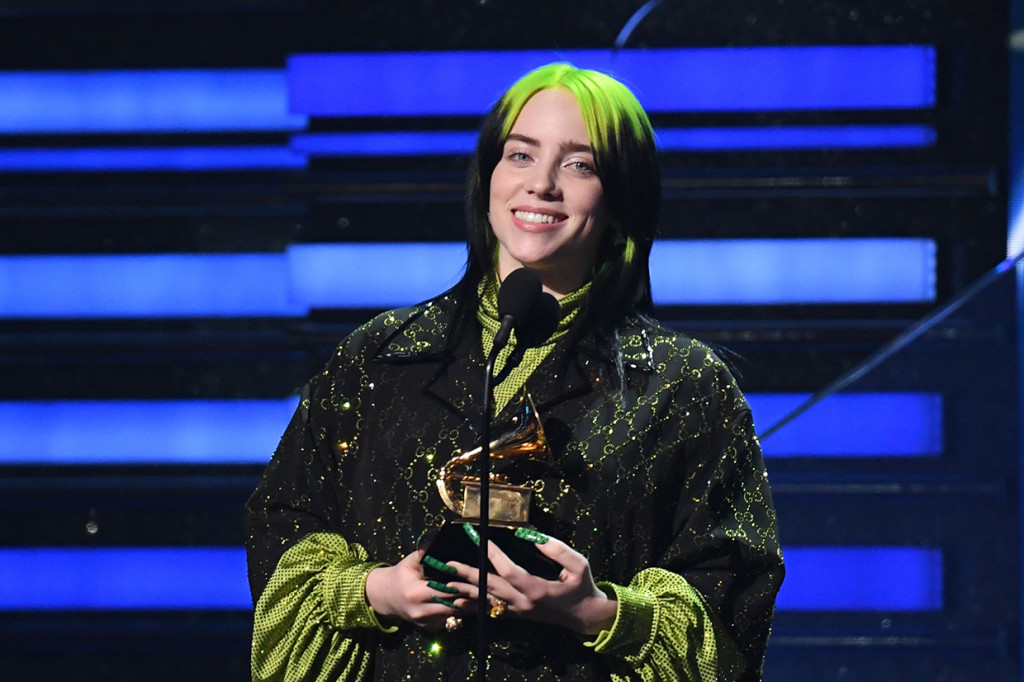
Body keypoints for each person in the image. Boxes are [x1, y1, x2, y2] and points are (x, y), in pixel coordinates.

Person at [245, 62, 784, 682]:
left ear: (620, 200)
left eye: (580, 164)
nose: (542, 185)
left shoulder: (683, 385)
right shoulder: (378, 356)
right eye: (521, 155)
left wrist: (600, 612)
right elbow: (283, 530)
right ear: (489, 178)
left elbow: (732, 599)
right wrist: (376, 592)